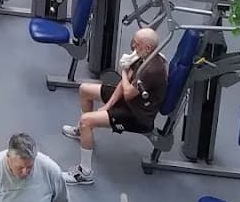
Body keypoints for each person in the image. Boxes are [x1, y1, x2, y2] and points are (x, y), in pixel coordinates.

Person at [62, 27, 168, 186]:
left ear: (148, 47)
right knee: (84, 90)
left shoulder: (153, 70)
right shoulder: (143, 55)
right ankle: (82, 133)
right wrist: (109, 104)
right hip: (131, 101)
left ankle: (85, 173)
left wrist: (124, 71)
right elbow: (123, 86)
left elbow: (128, 92)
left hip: (137, 115)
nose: (133, 46)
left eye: (136, 44)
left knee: (86, 121)